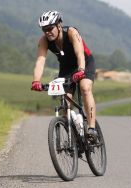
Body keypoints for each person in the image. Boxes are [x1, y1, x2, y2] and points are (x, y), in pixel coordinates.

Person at [31, 10, 97, 141]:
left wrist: (81, 70)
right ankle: (72, 135)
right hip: (66, 69)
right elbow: (40, 61)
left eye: (50, 28)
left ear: (59, 25)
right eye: (44, 30)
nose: (48, 32)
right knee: (65, 101)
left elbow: (79, 54)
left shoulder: (71, 32)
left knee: (84, 88)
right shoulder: (44, 41)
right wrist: (36, 81)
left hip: (84, 63)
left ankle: (91, 128)